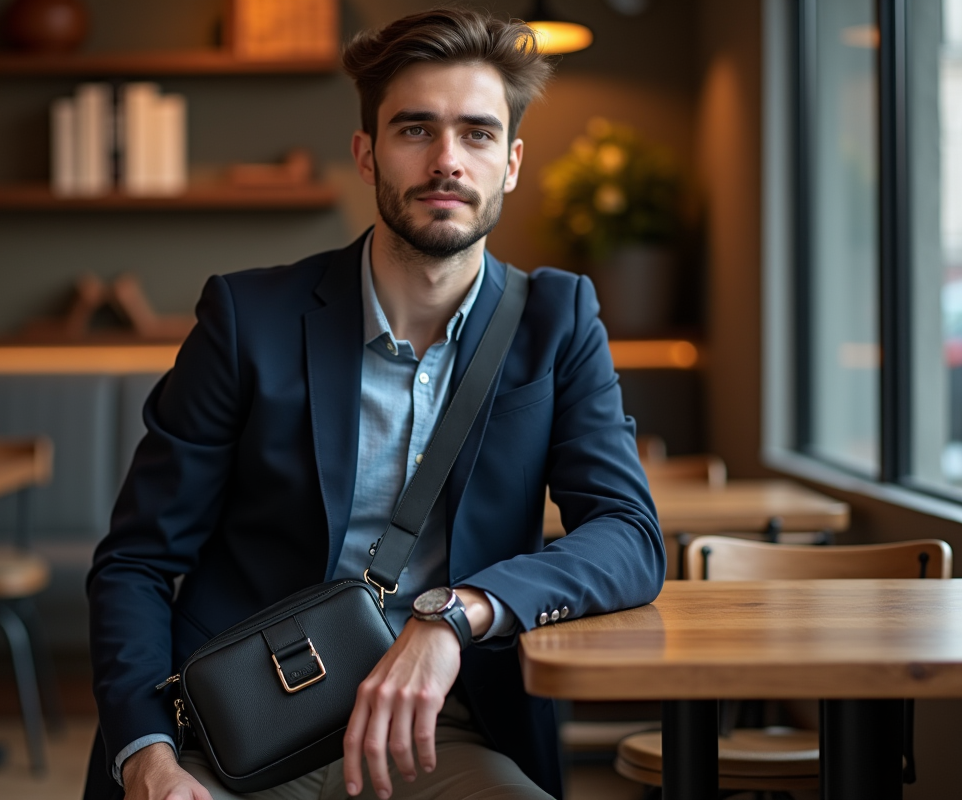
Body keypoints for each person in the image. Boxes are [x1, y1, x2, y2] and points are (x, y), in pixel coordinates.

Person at [83, 8, 665, 800]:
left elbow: (629, 535)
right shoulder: (247, 318)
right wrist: (148, 757)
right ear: (366, 154)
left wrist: (457, 615)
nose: (447, 160)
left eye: (477, 134)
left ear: (511, 164)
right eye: (415, 130)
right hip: (237, 731)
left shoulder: (557, 321)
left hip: (446, 727)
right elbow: (137, 561)